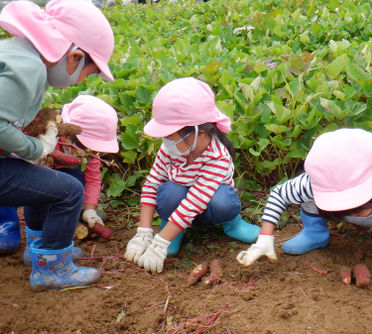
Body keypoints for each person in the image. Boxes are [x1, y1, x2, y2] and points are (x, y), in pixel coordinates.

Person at [236, 128, 372, 301]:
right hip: (336, 201)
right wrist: (265, 237)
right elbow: (279, 195)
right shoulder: (314, 182)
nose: (357, 215)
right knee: (309, 198)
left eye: (360, 207)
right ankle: (314, 233)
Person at [0, 0, 115, 289]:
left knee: (43, 186)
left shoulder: (15, 53)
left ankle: (40, 251)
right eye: (87, 73)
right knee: (68, 190)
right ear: (75, 57)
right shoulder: (30, 68)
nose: (79, 81)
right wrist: (34, 149)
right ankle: (52, 267)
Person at [124, 77, 260, 273]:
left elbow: (195, 201)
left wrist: (160, 241)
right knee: (170, 191)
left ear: (200, 133)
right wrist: (144, 232)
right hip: (179, 206)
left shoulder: (217, 157)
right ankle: (172, 230)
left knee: (223, 201)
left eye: (171, 137)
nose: (166, 142)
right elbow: (152, 184)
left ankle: (232, 224)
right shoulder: (170, 150)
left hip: (209, 207)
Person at [23, 95, 119, 265]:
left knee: (76, 183)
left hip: (67, 178)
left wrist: (90, 209)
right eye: (83, 146)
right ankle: (39, 248)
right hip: (39, 177)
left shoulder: (89, 155)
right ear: (67, 133)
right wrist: (51, 155)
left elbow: (93, 179)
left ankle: (58, 241)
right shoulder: (46, 135)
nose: (87, 152)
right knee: (37, 201)